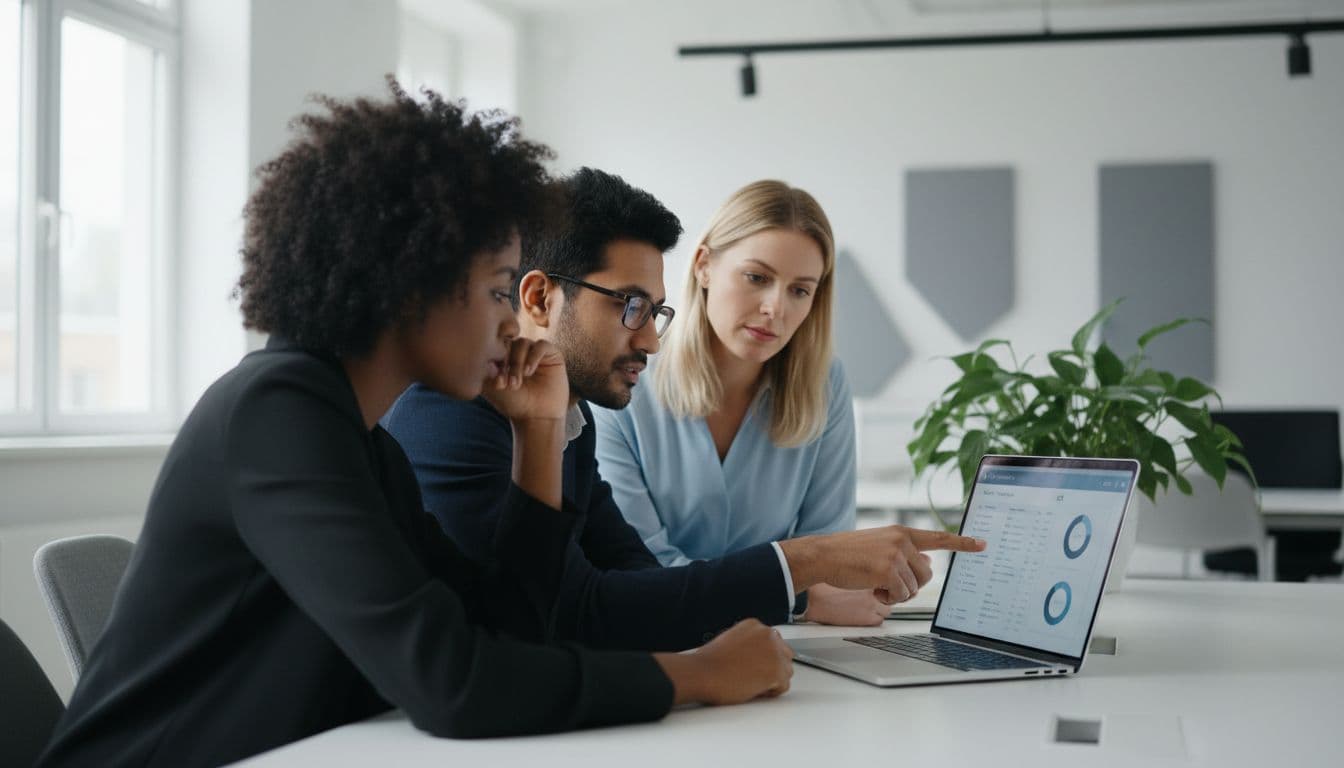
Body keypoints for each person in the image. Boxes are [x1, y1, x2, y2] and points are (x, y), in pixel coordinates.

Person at [36, 82, 796, 768]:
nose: (513, 324)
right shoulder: (278, 412)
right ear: (415, 285)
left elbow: (504, 632)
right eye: (500, 291)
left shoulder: (363, 439)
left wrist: (537, 438)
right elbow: (453, 684)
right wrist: (698, 676)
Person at [383, 168, 986, 653]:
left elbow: (634, 581)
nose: (648, 339)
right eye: (630, 306)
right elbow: (551, 619)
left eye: (653, 311)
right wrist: (803, 575)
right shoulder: (451, 415)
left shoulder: (572, 411)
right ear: (539, 297)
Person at [592, 180, 889, 626]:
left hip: (785, 648)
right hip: (655, 639)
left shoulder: (826, 383)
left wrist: (807, 592)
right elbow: (638, 570)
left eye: (799, 290)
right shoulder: (624, 378)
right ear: (704, 265)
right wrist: (795, 599)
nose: (776, 308)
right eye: (757, 278)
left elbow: (826, 553)